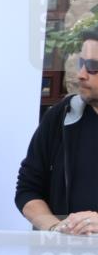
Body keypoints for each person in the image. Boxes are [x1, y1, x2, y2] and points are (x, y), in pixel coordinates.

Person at [15, 27, 98, 235]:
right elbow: (28, 189)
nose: (81, 75)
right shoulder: (61, 115)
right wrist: (55, 228)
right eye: (81, 63)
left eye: (93, 67)